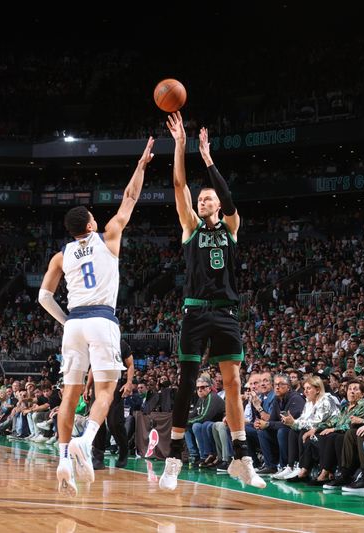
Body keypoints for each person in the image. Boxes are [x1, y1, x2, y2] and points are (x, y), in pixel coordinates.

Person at [39, 137, 154, 496]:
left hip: (73, 322)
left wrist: (66, 321)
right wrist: (142, 165)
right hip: (103, 319)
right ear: (89, 225)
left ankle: (61, 460)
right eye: (93, 216)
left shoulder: (61, 256)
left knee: (69, 398)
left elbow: (43, 296)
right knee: (106, 389)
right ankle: (86, 442)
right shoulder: (109, 237)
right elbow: (131, 198)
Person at [159, 112, 264, 491]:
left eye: (208, 198)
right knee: (187, 382)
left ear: (217, 204)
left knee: (233, 383)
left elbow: (230, 199)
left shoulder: (232, 227)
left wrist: (208, 159)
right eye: (200, 198)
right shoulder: (189, 228)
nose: (203, 200)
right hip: (195, 312)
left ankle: (241, 458)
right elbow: (177, 184)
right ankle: (173, 459)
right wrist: (181, 147)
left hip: (226, 314)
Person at [84, 338, 135, 469]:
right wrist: (87, 387)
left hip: (115, 385)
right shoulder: (97, 343)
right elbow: (92, 367)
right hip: (98, 385)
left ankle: (124, 451)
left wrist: (129, 382)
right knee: (97, 422)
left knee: (114, 422)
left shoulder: (121, 344)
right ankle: (98, 456)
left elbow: (130, 365)